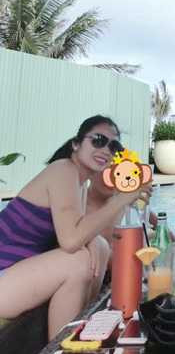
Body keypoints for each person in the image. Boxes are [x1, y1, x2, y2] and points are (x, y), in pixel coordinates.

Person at [0, 115, 152, 340]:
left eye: (114, 146)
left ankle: (83, 330)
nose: (106, 150)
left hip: (13, 274)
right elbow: (70, 241)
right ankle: (58, 351)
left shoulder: (80, 184)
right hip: (4, 272)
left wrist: (96, 238)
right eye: (98, 140)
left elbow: (80, 232)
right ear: (76, 144)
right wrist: (121, 199)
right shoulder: (62, 170)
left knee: (99, 247)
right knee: (78, 261)